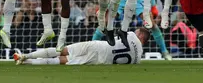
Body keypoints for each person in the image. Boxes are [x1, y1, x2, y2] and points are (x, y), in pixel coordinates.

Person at [94, 0, 172, 60]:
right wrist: (102, 4)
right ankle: (92, 47)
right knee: (105, 22)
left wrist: (153, 5)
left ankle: (165, 52)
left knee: (152, 25)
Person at [13, 28, 150, 65]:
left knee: (62, 50)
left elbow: (121, 33)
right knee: (63, 61)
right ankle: (27, 62)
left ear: (141, 36)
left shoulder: (132, 35)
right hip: (100, 60)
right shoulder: (137, 59)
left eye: (138, 31)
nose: (135, 31)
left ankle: (26, 56)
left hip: (98, 46)